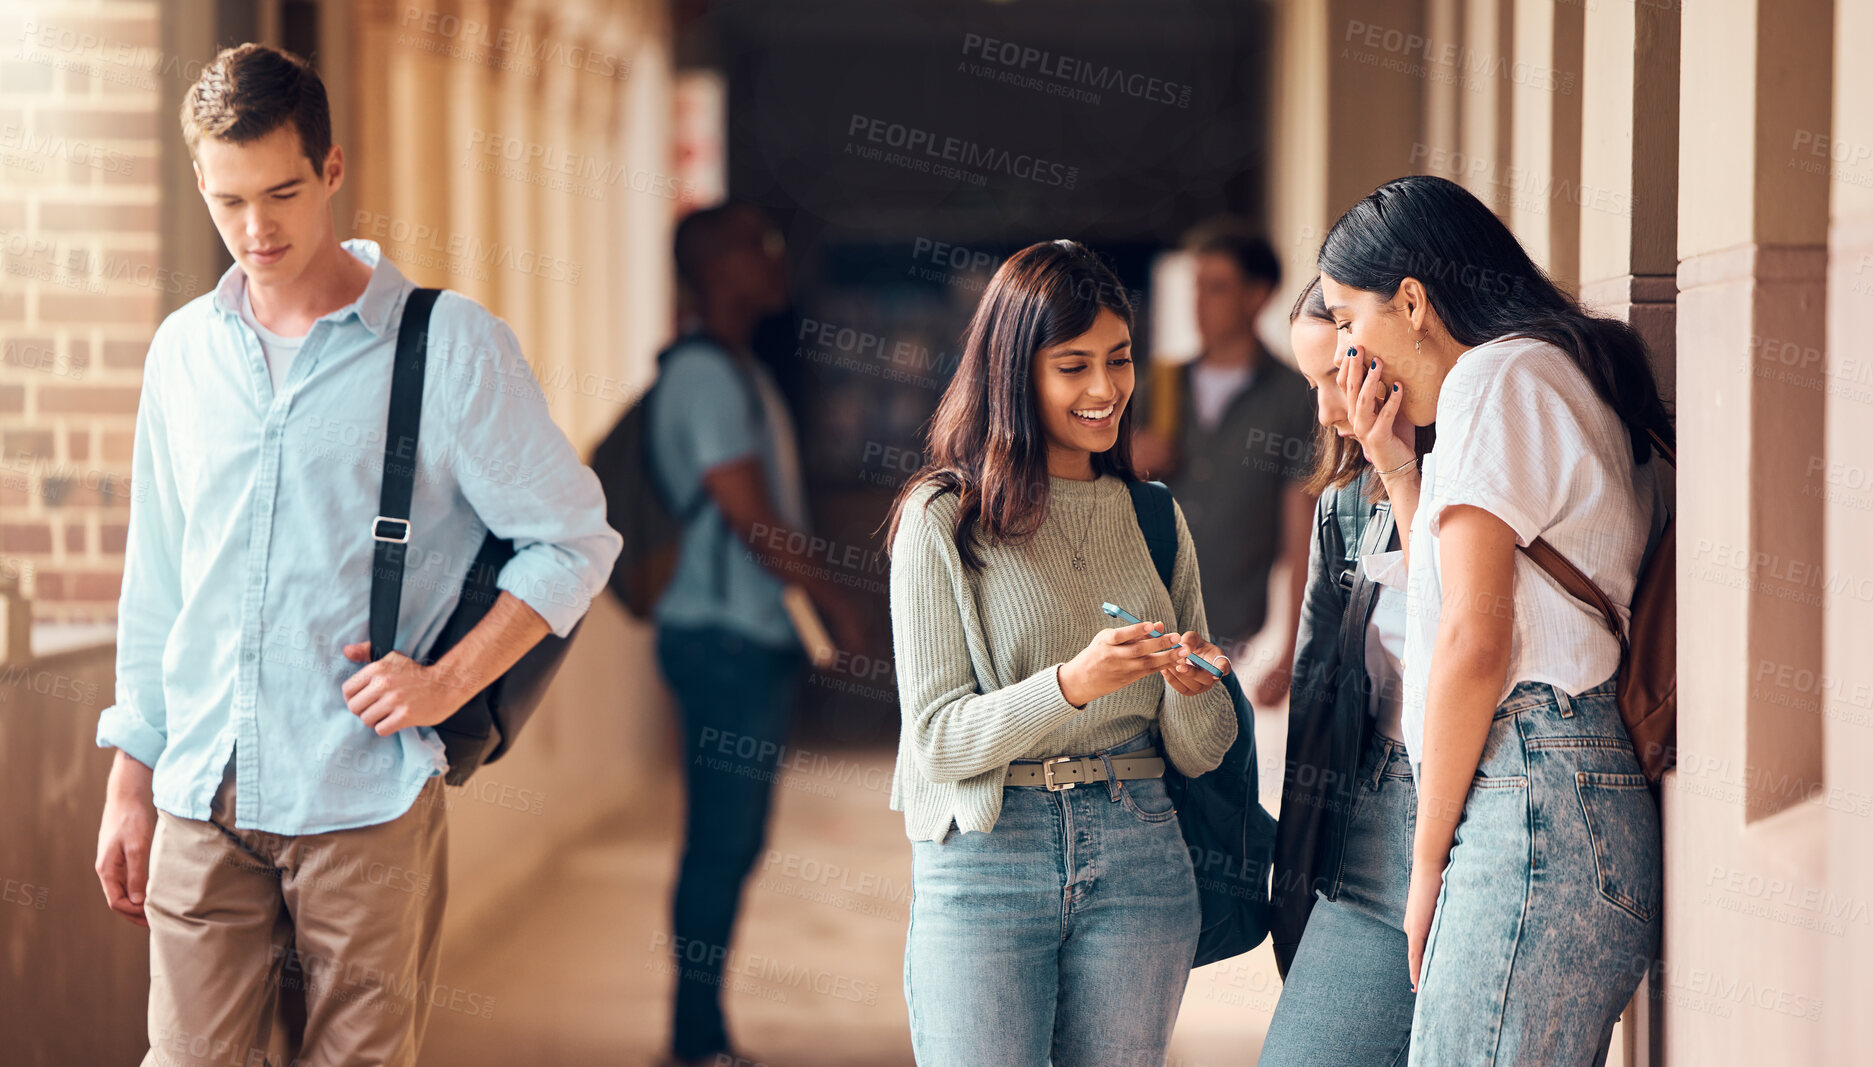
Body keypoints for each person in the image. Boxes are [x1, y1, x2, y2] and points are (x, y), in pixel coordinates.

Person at [91, 44, 622, 1066]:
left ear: (333, 169)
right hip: (202, 789)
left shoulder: (448, 345)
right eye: (230, 198)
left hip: (364, 796)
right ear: (199, 180)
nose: (258, 229)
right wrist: (130, 774)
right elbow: (158, 580)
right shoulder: (183, 354)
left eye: (283, 191)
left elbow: (573, 536)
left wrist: (443, 683)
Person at [1320, 175, 1671, 1066]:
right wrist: (1399, 467)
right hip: (1562, 792)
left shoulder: (1494, 378)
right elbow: (1454, 595)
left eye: (1347, 320)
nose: (1347, 356)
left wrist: (1426, 860)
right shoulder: (1547, 370)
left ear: (1412, 300)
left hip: (1527, 800)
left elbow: (1474, 642)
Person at [883, 239, 1236, 1065]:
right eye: (1072, 365)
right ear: (1015, 372)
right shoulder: (942, 519)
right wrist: (1071, 686)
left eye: (1118, 360)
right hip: (986, 856)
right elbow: (935, 739)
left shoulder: (1151, 515)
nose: (1105, 389)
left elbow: (1204, 747)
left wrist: (1190, 686)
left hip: (1140, 846)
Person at [646, 201, 867, 1067]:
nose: (775, 256)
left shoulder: (736, 368)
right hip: (723, 640)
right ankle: (694, 1038)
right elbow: (752, 519)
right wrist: (837, 600)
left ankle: (699, 1030)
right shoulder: (704, 375)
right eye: (756, 245)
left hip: (743, 638)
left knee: (731, 839)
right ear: (713, 267)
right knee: (720, 839)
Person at [1259, 276, 1424, 1065]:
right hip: (1377, 820)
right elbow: (1317, 715)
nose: (1326, 410)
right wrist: (1297, 885)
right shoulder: (1345, 504)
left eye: (1335, 375)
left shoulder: (1495, 459)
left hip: (1501, 816)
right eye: (1311, 384)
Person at [1133, 221, 1316, 707]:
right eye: (1197, 287)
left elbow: (1305, 532)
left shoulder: (1297, 398)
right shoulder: (1159, 386)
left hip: (1236, 638)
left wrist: (1291, 649)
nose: (1199, 303)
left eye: (1216, 288)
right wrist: (1129, 459)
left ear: (1258, 296)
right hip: (1141, 625)